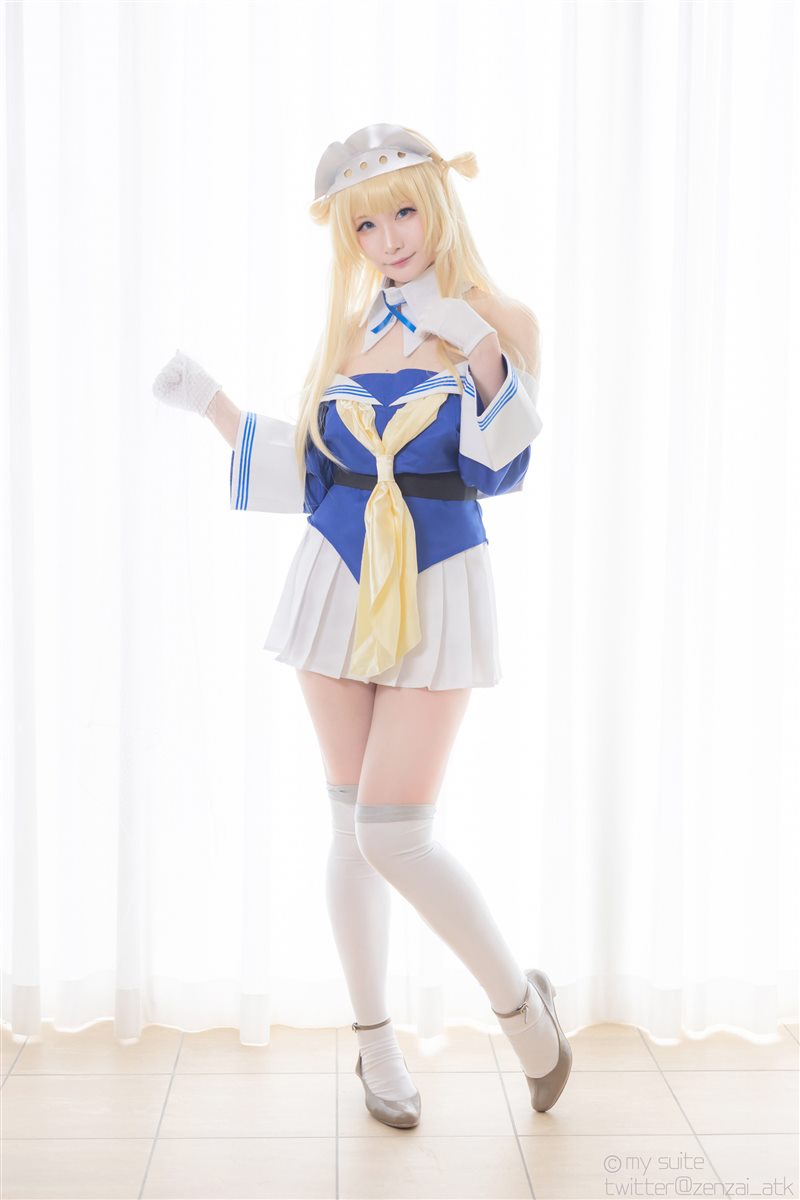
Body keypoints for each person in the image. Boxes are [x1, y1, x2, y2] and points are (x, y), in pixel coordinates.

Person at [152, 123, 572, 1130]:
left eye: (404, 212)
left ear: (440, 203)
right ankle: (375, 1048)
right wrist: (213, 406)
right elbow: (315, 474)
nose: (389, 240)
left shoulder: (501, 316)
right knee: (350, 826)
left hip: (439, 580)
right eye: (365, 226)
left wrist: (473, 342)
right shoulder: (346, 333)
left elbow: (502, 465)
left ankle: (521, 1013)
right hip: (334, 578)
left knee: (394, 832)